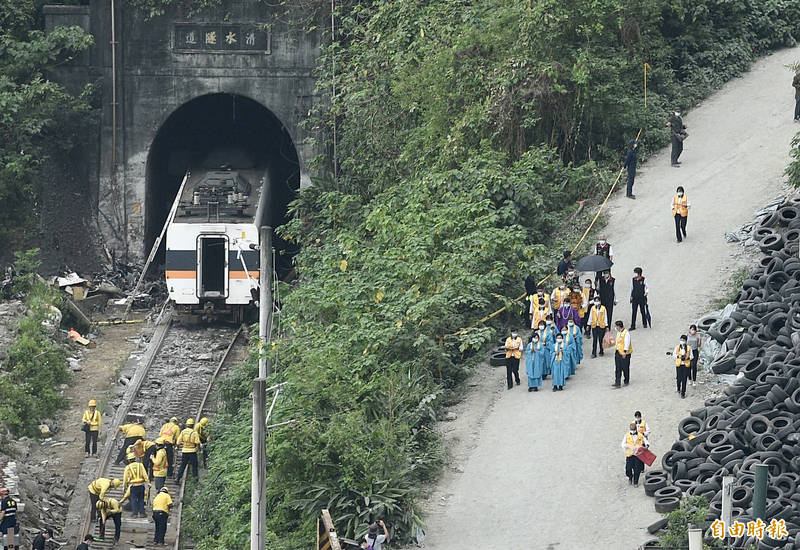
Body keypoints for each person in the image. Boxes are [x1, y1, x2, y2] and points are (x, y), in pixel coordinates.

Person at [122, 451, 149, 518]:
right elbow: (145, 474)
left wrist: (124, 486)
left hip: (133, 486)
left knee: (133, 499)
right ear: (134, 458)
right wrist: (148, 482)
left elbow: (125, 478)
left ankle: (135, 514)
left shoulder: (128, 467)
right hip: (141, 485)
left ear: (128, 460)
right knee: (141, 499)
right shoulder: (140, 465)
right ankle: (142, 513)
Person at [621, 422, 649, 487]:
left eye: (633, 430)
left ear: (636, 429)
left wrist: (646, 446)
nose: (632, 431)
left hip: (638, 455)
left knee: (637, 469)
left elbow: (646, 442)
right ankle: (630, 476)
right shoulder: (626, 435)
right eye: (631, 430)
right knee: (628, 468)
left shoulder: (640, 435)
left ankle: (636, 482)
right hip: (630, 455)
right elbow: (623, 444)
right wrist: (629, 446)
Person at [613, 321, 632, 388]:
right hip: (618, 352)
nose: (615, 327)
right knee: (618, 368)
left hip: (624, 353)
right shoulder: (618, 333)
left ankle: (626, 380)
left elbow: (627, 342)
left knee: (625, 367)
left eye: (616, 326)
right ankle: (617, 382)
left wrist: (625, 351)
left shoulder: (626, 333)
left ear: (619, 326)